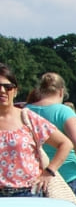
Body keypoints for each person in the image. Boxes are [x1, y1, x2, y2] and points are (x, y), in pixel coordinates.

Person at [0, 62, 71, 196]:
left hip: (27, 193)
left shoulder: (27, 118)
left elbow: (65, 144)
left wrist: (49, 172)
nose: (2, 91)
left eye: (8, 87)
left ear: (15, 91)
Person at [26, 72, 76, 205]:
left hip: (39, 176)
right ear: (61, 92)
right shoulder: (64, 111)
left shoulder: (26, 111)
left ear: (40, 90)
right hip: (68, 175)